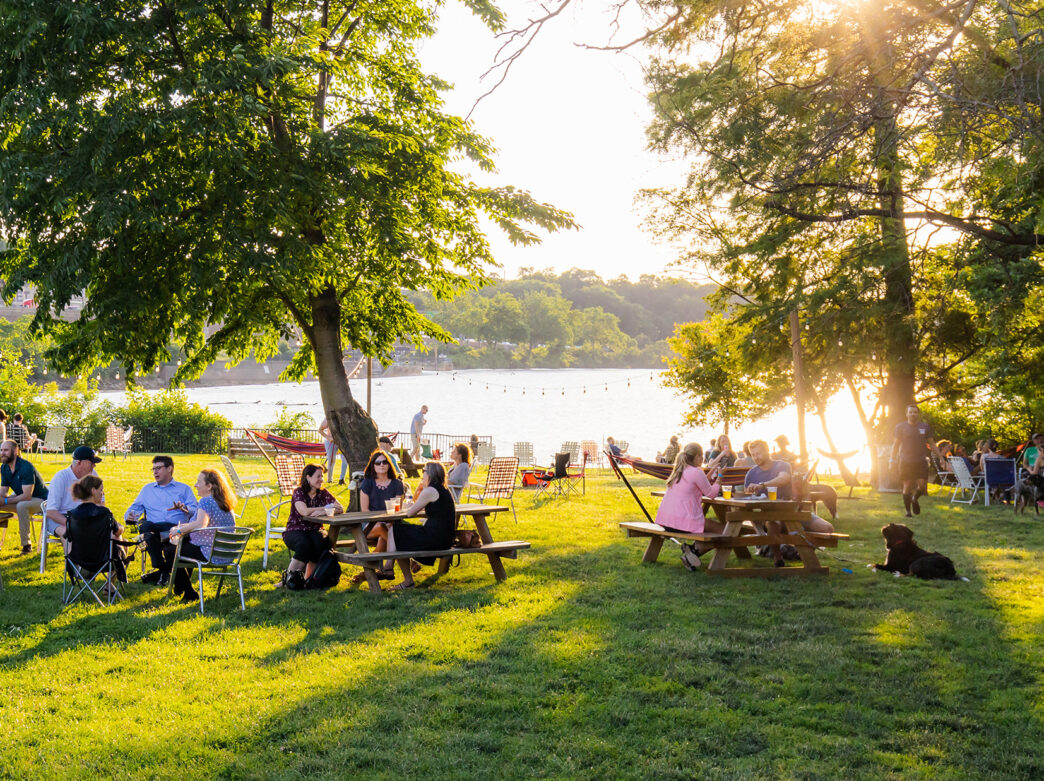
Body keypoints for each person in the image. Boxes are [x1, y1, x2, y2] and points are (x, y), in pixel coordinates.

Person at [746, 439, 834, 565]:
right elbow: (745, 495)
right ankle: (778, 558)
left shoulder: (782, 465)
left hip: (793, 511)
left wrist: (762, 485)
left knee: (827, 529)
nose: (756, 457)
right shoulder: (751, 473)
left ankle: (802, 552)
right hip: (768, 515)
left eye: (758, 453)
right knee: (773, 524)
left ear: (767, 451)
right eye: (753, 454)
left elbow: (784, 478)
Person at [369, 462, 455, 590]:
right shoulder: (444, 490)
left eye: (424, 471)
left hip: (435, 539)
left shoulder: (430, 490)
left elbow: (410, 513)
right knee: (398, 534)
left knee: (395, 530)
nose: (422, 473)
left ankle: (391, 569)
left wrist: (409, 506)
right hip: (444, 538)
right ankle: (394, 571)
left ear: (430, 474)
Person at [164, 469, 237, 603]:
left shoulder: (206, 501)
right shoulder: (225, 502)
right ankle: (181, 587)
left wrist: (178, 531)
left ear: (209, 486)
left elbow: (200, 524)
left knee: (170, 551)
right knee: (184, 547)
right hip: (227, 553)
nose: (195, 485)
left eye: (199, 482)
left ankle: (189, 592)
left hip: (210, 553)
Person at [125, 455, 198, 585]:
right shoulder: (147, 490)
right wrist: (130, 516)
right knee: (145, 527)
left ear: (169, 469)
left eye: (158, 468)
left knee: (150, 532)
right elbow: (134, 509)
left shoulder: (183, 489)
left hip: (177, 528)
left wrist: (184, 508)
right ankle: (162, 568)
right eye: (153, 469)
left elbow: (196, 511)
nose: (155, 472)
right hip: (154, 528)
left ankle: (162, 572)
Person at [655, 442, 723, 571]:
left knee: (711, 530)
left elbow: (700, 484)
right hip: (683, 522)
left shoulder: (679, 470)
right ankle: (693, 552)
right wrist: (720, 477)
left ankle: (692, 551)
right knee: (725, 531)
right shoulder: (696, 472)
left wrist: (711, 471)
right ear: (696, 457)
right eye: (701, 455)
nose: (703, 458)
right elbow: (711, 494)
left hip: (667, 522)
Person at [281, 464, 343, 589]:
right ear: (308, 477)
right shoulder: (299, 492)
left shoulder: (323, 493)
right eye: (318, 476)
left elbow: (340, 508)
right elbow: (303, 511)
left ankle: (309, 579)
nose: (321, 479)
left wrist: (323, 511)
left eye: (322, 476)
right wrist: (325, 508)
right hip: (295, 529)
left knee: (320, 543)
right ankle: (287, 580)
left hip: (315, 529)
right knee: (304, 544)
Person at [66, 475, 127, 597]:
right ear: (93, 491)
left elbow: (68, 536)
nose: (102, 493)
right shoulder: (104, 513)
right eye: (101, 490)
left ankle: (106, 586)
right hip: (103, 561)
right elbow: (117, 532)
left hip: (79, 562)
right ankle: (109, 587)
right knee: (121, 541)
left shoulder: (72, 514)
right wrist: (122, 527)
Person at [45, 445, 103, 552]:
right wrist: (73, 524)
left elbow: (101, 503)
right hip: (59, 517)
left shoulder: (92, 475)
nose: (94, 465)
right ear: (79, 462)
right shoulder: (61, 477)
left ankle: (107, 561)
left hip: (84, 516)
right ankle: (73, 562)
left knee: (112, 534)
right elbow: (51, 512)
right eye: (91, 462)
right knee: (69, 534)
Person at [890, 404, 940, 518]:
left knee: (922, 487)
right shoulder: (900, 427)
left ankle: (914, 498)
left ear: (918, 414)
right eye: (910, 412)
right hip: (906, 461)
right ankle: (908, 511)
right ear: (907, 414)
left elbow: (932, 443)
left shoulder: (925, 427)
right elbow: (895, 445)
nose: (913, 414)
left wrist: (941, 458)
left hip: (921, 460)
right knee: (907, 486)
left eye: (915, 412)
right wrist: (891, 460)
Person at [0, 439, 48, 554]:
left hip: (42, 500)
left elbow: (27, 496)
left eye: (6, 450)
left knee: (22, 506)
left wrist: (5, 501)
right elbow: (3, 492)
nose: (2, 453)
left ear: (15, 451)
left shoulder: (26, 467)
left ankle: (27, 546)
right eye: (1, 450)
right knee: (18, 504)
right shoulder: (4, 468)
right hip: (21, 498)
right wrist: (2, 498)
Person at [318, 415, 349, 485]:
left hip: (343, 441)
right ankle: (329, 480)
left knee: (345, 460)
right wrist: (328, 438)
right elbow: (320, 430)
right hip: (331, 442)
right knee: (331, 460)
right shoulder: (328, 417)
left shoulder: (345, 416)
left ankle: (341, 479)